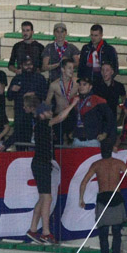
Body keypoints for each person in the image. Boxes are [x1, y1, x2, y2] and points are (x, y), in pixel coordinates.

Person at [24, 94, 78, 244]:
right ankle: (46, 233)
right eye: (48, 111)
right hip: (42, 164)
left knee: (43, 198)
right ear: (42, 113)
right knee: (47, 198)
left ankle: (33, 229)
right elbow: (60, 117)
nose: (50, 113)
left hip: (41, 163)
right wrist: (72, 105)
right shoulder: (43, 123)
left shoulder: (41, 124)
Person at [7, 56, 48, 150]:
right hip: (20, 116)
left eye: (30, 64)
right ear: (21, 66)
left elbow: (46, 95)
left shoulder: (40, 78)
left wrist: (35, 94)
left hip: (36, 117)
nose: (29, 67)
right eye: (26, 65)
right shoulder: (16, 78)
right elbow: (9, 97)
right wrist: (12, 90)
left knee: (35, 145)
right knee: (20, 145)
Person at [72, 76, 115, 148]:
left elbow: (110, 118)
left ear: (90, 87)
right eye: (80, 84)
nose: (81, 87)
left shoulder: (98, 101)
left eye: (84, 84)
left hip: (92, 141)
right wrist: (70, 131)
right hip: (77, 140)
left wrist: (105, 133)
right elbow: (71, 118)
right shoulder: (74, 100)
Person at [45, 58, 78, 145]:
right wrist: (47, 117)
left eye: (73, 68)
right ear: (63, 69)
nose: (72, 70)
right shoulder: (54, 85)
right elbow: (47, 102)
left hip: (72, 116)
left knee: (71, 142)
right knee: (58, 143)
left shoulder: (77, 83)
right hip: (58, 116)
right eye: (69, 68)